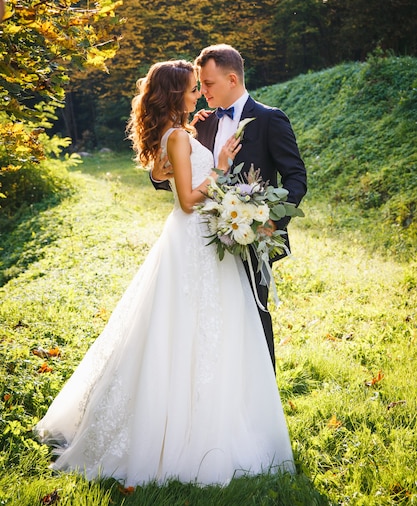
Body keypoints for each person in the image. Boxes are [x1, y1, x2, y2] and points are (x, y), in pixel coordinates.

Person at [35, 59, 295, 487]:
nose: (198, 95)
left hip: (200, 239)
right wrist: (223, 167)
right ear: (178, 94)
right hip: (192, 235)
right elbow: (188, 201)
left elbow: (161, 172)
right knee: (188, 325)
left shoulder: (180, 132)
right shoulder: (176, 135)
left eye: (201, 87)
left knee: (209, 323)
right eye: (193, 89)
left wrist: (193, 149)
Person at [152, 44, 307, 369]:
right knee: (209, 321)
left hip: (253, 236)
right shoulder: (202, 123)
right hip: (204, 238)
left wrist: (272, 223)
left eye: (207, 83)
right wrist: (155, 173)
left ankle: (263, 400)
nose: (201, 89)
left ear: (232, 79)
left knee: (253, 317)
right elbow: (180, 174)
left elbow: (296, 177)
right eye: (198, 85)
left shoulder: (269, 119)